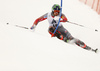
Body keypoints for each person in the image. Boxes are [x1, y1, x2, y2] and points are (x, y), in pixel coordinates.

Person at [30, 4, 98, 53]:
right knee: (50, 28)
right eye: (55, 12)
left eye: (58, 12)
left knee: (73, 39)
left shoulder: (60, 15)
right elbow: (38, 19)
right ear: (53, 11)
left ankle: (89, 49)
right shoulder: (48, 15)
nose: (57, 13)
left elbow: (65, 19)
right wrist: (33, 26)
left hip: (61, 28)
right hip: (53, 29)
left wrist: (61, 19)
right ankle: (64, 39)